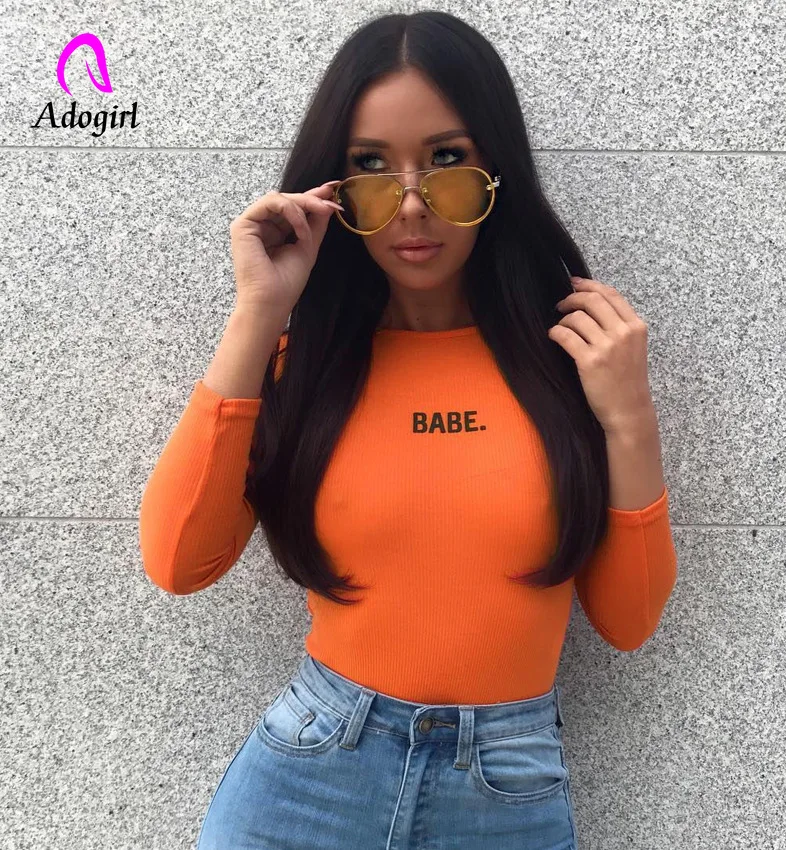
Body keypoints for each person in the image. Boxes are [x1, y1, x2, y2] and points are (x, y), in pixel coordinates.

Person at [139, 10, 677, 850]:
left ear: (496, 168)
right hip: (308, 777)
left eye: (447, 159)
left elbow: (628, 620)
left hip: (506, 790)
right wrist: (258, 313)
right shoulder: (303, 364)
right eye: (370, 166)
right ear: (333, 188)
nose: (414, 203)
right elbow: (179, 563)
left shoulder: (573, 364)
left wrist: (630, 417)